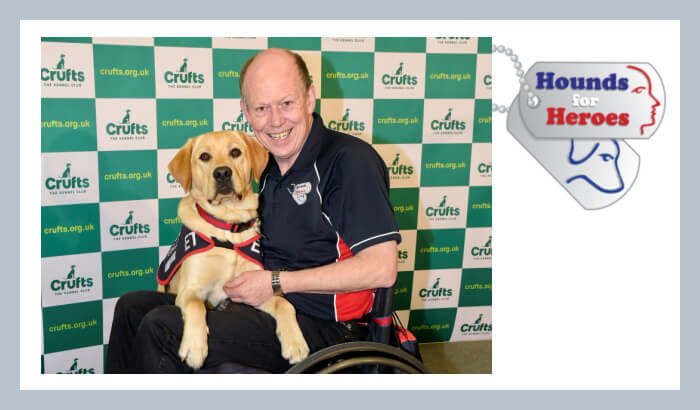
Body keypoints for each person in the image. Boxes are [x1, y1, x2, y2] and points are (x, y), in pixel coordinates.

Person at [105, 48, 400, 373]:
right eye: (262, 108)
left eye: (286, 103)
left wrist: (277, 282)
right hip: (256, 304)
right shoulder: (267, 168)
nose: (275, 120)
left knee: (162, 328)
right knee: (132, 307)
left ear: (310, 98)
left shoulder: (348, 161)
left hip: (324, 326)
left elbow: (381, 268)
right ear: (246, 111)